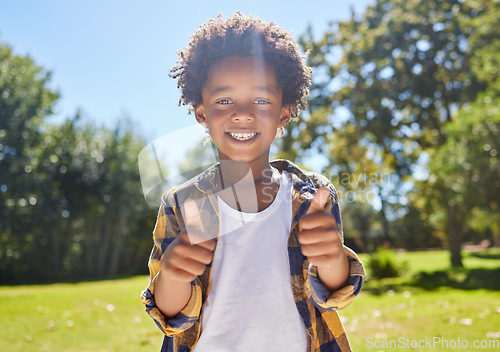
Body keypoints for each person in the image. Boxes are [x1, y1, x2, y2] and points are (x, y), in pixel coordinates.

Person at [141, 12, 366, 352]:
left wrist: (331, 257)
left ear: (283, 114)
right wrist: (172, 275)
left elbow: (333, 294)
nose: (243, 112)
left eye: (261, 100)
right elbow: (173, 318)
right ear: (201, 113)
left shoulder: (311, 197)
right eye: (224, 100)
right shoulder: (182, 203)